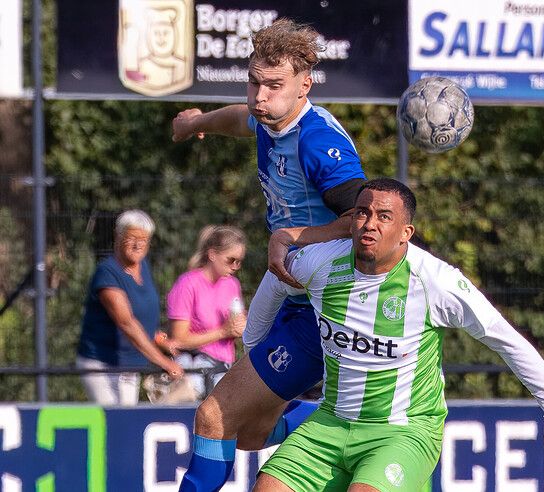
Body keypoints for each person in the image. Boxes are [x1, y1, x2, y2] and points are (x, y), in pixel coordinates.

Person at [238, 178, 544, 491]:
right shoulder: (322, 262)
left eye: (385, 217)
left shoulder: (435, 281)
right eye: (363, 213)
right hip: (331, 422)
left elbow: (506, 340)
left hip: (403, 432)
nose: (370, 224)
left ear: (405, 233)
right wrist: (253, 351)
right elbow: (277, 277)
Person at [172, 18, 366, 491]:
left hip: (325, 310)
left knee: (214, 416)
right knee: (250, 433)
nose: (260, 96)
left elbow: (366, 219)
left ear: (305, 85)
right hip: (288, 296)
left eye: (274, 86)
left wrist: (293, 235)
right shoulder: (267, 119)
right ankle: (337, 425)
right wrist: (196, 123)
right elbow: (239, 119)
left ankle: (349, 429)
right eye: (254, 82)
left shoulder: (319, 143)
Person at [76, 209, 182, 406]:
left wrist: (159, 339)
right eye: (132, 237)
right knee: (114, 420)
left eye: (144, 239)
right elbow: (127, 323)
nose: (138, 245)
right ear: (118, 236)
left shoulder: (144, 267)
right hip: (102, 363)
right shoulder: (107, 273)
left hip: (130, 365)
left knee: (126, 419)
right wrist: (164, 362)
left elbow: (142, 317)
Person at [165, 225, 247, 399]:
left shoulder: (232, 285)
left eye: (239, 261)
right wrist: (223, 331)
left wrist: (241, 327)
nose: (235, 266)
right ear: (212, 255)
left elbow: (236, 327)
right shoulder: (187, 284)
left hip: (224, 368)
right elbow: (179, 339)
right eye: (231, 260)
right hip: (195, 370)